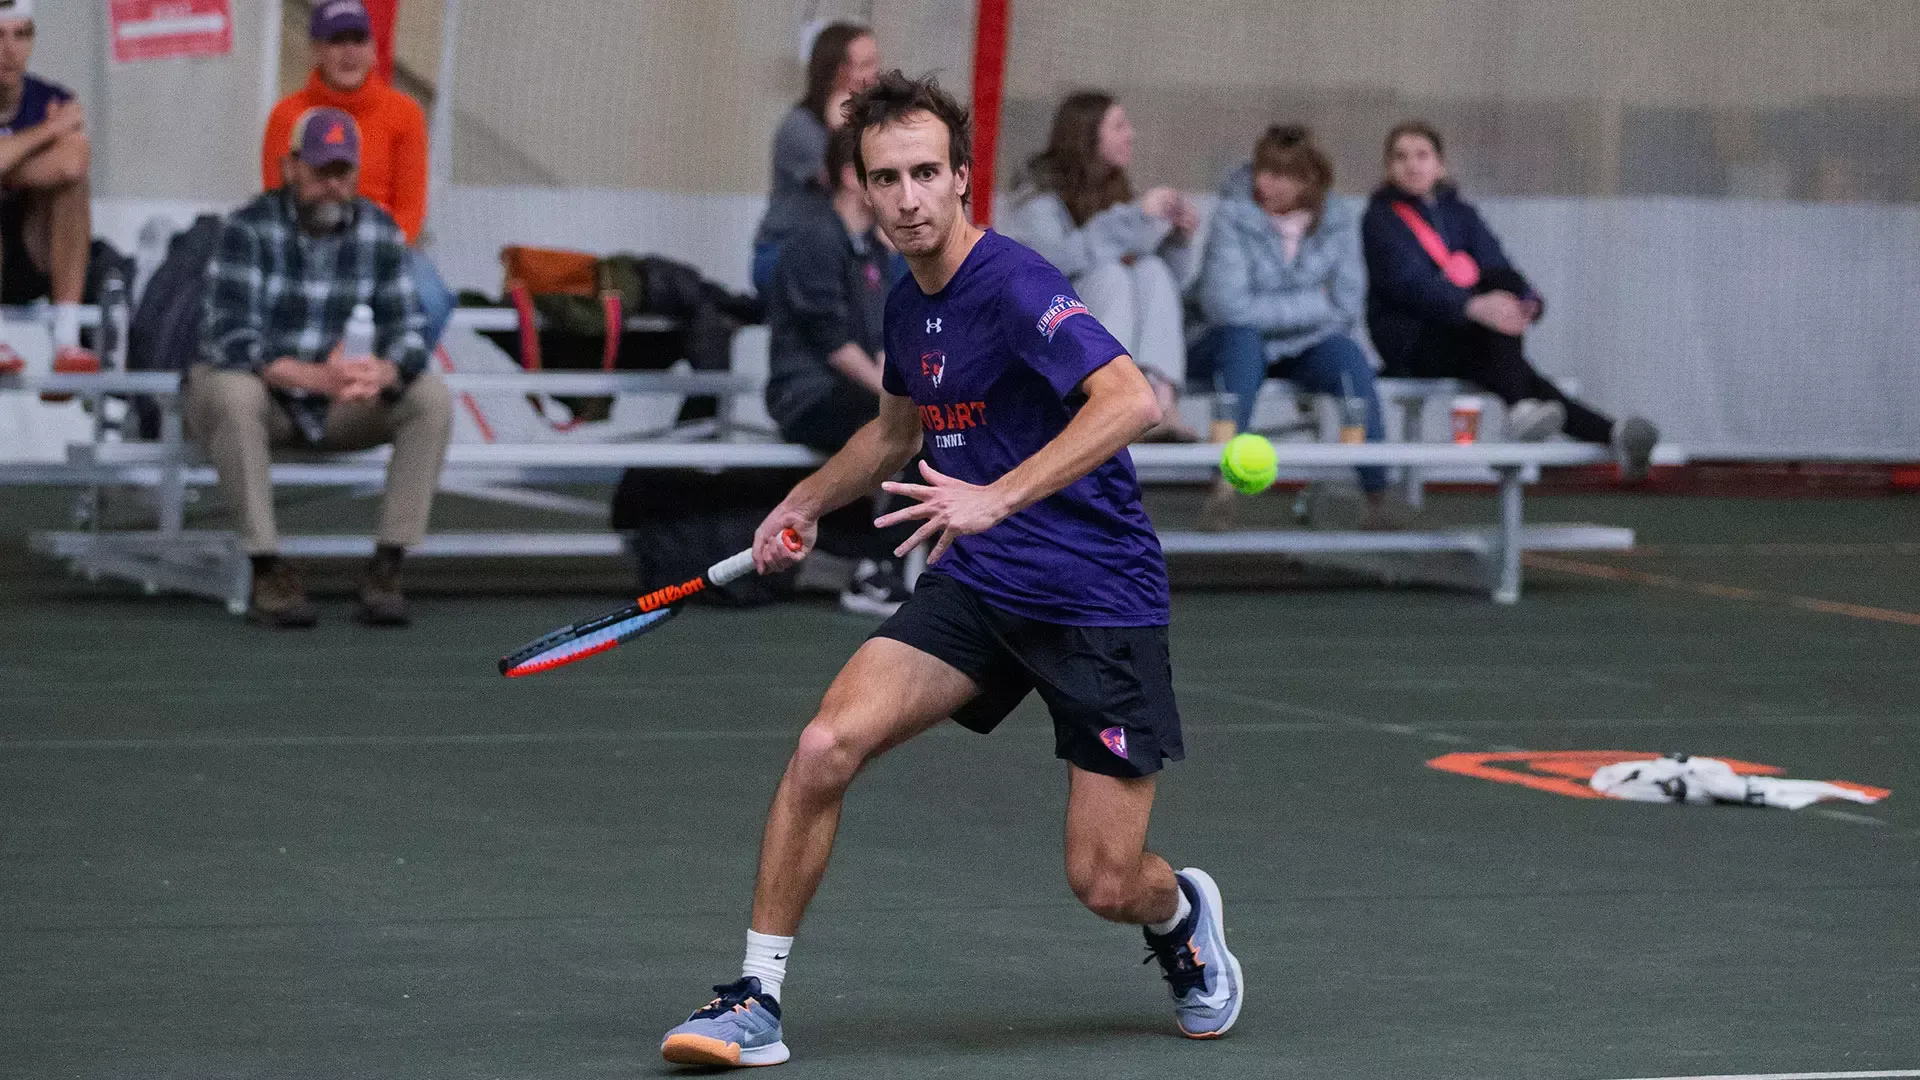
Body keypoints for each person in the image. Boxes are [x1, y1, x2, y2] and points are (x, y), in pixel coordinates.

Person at [658, 72, 1243, 1069]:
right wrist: (803, 504)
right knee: (822, 747)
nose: (909, 197)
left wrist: (995, 496)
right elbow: (892, 437)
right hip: (981, 586)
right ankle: (755, 999)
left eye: (928, 172)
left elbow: (1131, 399)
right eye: (887, 178)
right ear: (864, 189)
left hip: (1097, 598)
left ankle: (1181, 914)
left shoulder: (1015, 284)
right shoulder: (906, 302)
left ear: (963, 178)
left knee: (1104, 882)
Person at [195, 108, 451, 629]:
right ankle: (265, 567)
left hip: (342, 401)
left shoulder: (380, 230)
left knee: (430, 397)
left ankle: (388, 566)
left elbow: (408, 327)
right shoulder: (246, 227)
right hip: (270, 398)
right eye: (320, 171)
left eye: (343, 172)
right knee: (230, 392)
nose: (333, 185)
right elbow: (229, 335)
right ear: (291, 168)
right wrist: (311, 376)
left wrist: (383, 370)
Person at [1362, 121, 1659, 479]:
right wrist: (1473, 307)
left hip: (1470, 334)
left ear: (1440, 165)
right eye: (1400, 157)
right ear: (1388, 168)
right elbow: (1410, 285)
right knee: (1514, 365)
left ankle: (1547, 418)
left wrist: (1527, 300)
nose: (1412, 165)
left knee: (1503, 298)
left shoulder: (1461, 214)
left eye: (1422, 155)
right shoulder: (1379, 219)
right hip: (1411, 340)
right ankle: (1586, 426)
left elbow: (1496, 263)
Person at [1190, 125, 1395, 530]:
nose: (1264, 182)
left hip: (1306, 346)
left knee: (1350, 359)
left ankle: (1377, 498)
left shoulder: (1339, 220)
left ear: (1308, 180)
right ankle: (1223, 492)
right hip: (1229, 342)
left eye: (1280, 174)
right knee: (1242, 347)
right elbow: (1227, 307)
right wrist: (1315, 302)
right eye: (1262, 170)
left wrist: (1272, 307)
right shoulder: (1232, 215)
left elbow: (1347, 302)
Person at [765, 123, 914, 616]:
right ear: (853, 177)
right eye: (885, 174)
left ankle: (884, 563)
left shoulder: (871, 249)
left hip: (853, 391)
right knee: (909, 426)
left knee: (935, 419)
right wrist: (899, 399)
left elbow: (878, 348)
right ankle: (873, 572)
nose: (900, 188)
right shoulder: (815, 242)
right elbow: (836, 347)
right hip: (807, 396)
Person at [262, 0, 453, 352]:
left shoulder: (405, 114)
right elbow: (278, 200)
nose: (349, 52)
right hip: (308, 242)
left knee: (432, 298)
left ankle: (390, 383)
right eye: (337, 41)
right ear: (316, 49)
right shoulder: (287, 116)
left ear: (374, 48)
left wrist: (373, 255)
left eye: (358, 40)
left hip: (383, 246)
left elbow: (410, 209)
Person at [1002, 91, 1197, 431]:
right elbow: (1057, 262)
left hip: (1114, 323)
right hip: (1049, 325)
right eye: (1119, 126)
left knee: (1151, 269)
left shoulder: (1118, 187)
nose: (1131, 135)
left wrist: (1178, 239)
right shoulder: (1035, 192)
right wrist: (1134, 217)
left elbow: (1172, 285)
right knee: (1111, 275)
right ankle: (1106, 399)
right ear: (1087, 134)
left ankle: (1160, 402)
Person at [0, 0, 97, 377]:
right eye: (0, 36)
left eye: (21, 35)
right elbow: (59, 149)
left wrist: (8, 163)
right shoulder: (53, 117)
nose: (9, 50)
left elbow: (72, 163)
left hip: (34, 250)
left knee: (73, 187)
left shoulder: (53, 98)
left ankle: (67, 338)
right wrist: (49, 132)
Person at [749, 21, 879, 294]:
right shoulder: (800, 127)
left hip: (835, 251)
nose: (875, 74)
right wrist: (839, 126)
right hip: (785, 251)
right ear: (838, 73)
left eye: (875, 63)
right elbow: (849, 180)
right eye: (865, 65)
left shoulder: (867, 126)